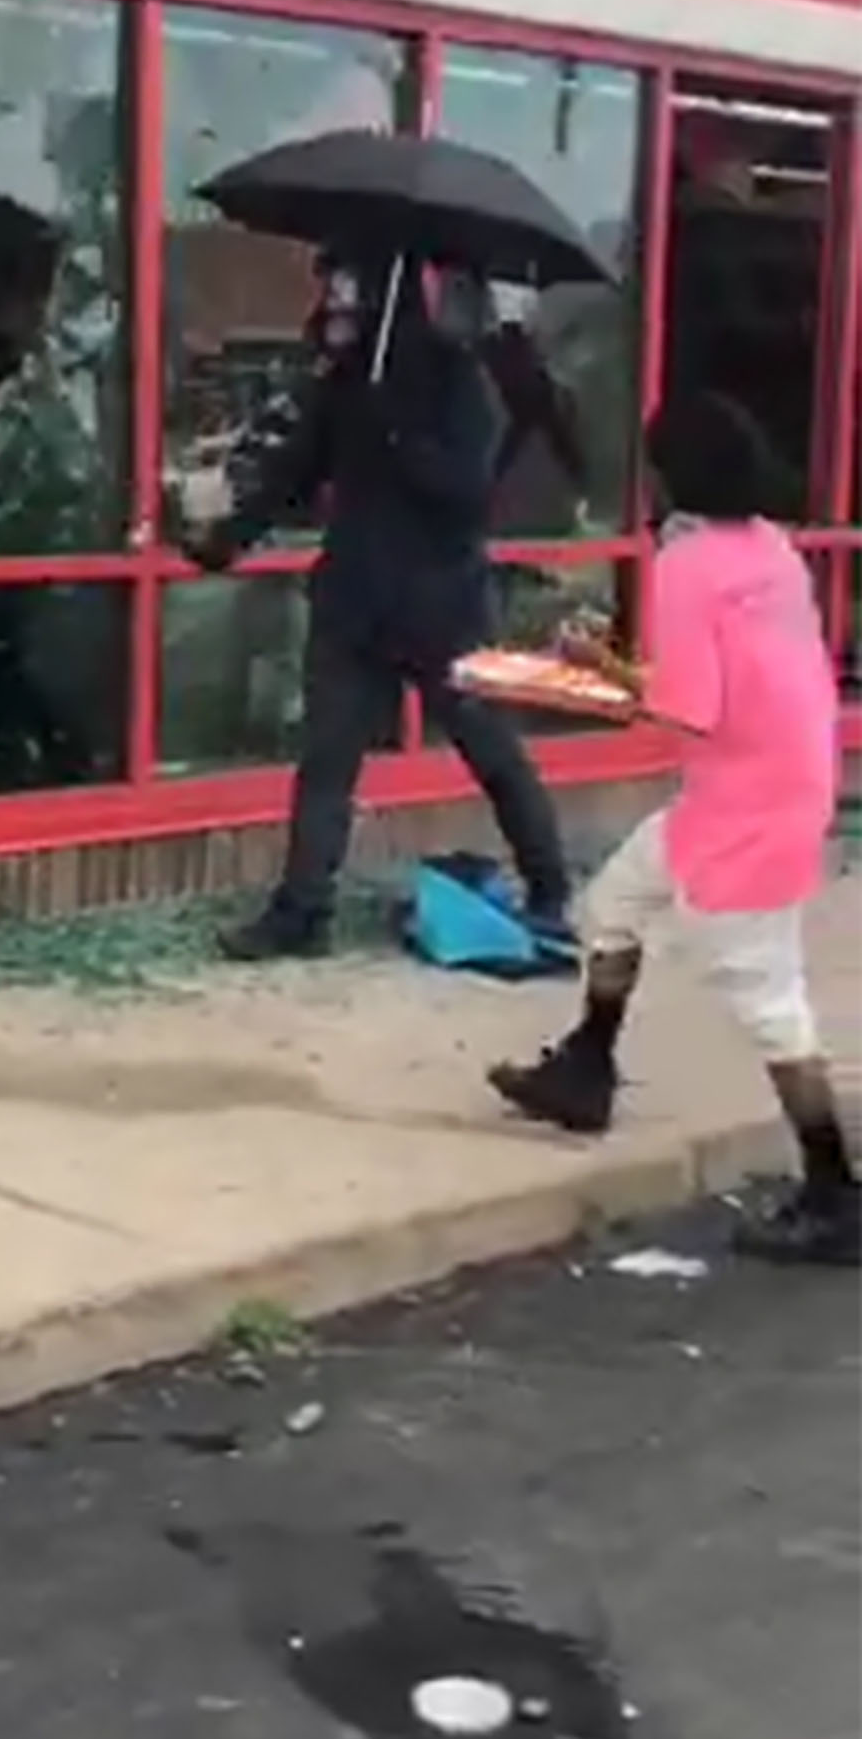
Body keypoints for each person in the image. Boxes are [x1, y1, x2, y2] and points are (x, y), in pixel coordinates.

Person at [488, 389, 858, 1266]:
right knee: (615, 903)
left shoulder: (688, 564)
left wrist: (590, 669)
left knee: (772, 1004)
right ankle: (586, 1066)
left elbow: (688, 708)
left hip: (745, 808)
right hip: (777, 779)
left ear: (673, 473)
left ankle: (835, 1189)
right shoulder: (772, 549)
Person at [185, 254, 572, 959]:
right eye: (326, 293)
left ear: (381, 298)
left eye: (344, 291)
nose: (331, 306)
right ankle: (301, 913)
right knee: (326, 763)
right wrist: (225, 542)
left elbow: (470, 494)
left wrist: (403, 438)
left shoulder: (457, 381)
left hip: (443, 609)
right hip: (354, 601)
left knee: (493, 755)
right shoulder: (344, 385)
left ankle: (551, 889)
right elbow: (294, 472)